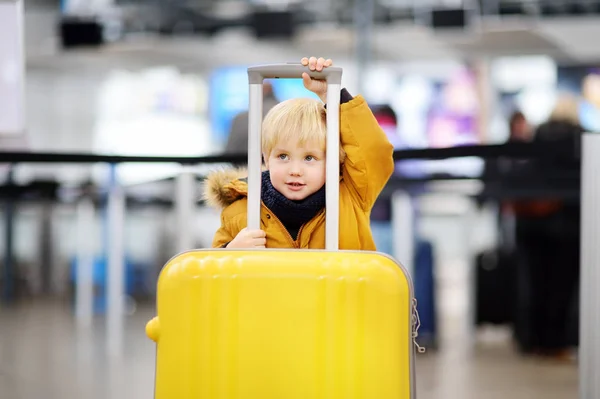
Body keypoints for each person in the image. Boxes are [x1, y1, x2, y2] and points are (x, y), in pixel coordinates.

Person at [203, 56, 395, 250]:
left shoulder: (351, 196)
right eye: (283, 156)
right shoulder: (239, 212)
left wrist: (333, 95)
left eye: (309, 158)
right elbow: (214, 273)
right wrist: (230, 251)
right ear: (266, 158)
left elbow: (373, 153)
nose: (295, 170)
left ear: (333, 161)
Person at [223, 80, 279, 163]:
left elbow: (228, 153)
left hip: (242, 167)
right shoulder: (286, 116)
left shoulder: (239, 118)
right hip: (275, 169)